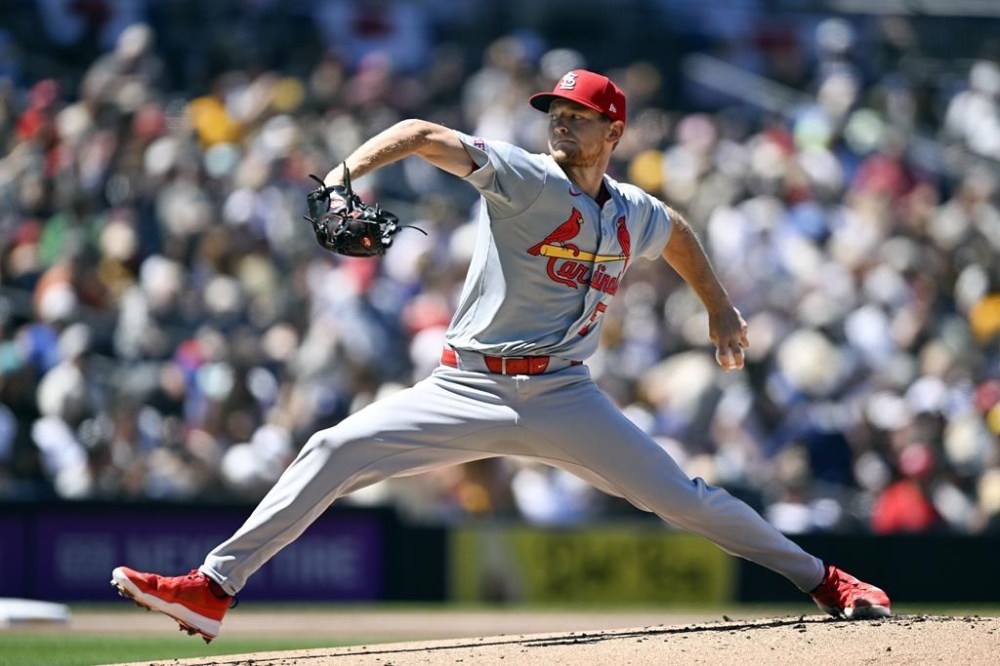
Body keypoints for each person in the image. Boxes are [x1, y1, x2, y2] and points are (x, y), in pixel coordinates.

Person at [111, 69, 891, 642]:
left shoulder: (633, 213)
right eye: (555, 109)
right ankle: (214, 587)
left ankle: (825, 579)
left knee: (683, 498)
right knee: (333, 446)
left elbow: (678, 233)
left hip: (563, 396)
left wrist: (719, 307)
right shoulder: (524, 178)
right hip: (467, 385)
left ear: (613, 133)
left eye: (579, 115)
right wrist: (345, 176)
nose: (561, 121)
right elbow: (420, 135)